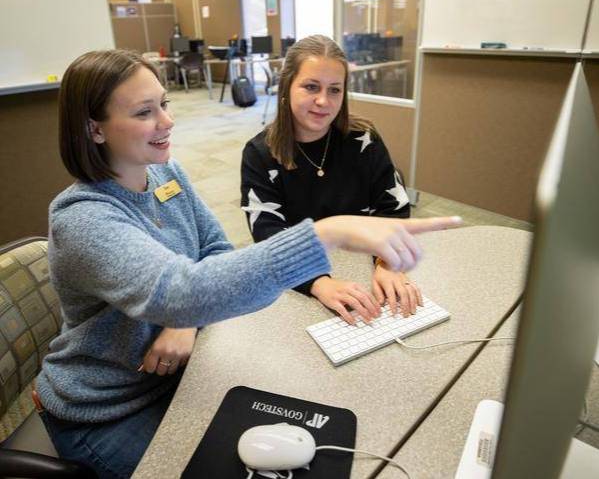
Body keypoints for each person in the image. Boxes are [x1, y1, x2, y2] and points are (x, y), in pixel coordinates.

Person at [36, 49, 460, 478]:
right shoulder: (82, 217)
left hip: (184, 372)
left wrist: (183, 321)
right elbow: (180, 292)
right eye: (145, 112)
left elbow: (217, 252)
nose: (167, 122)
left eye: (164, 104)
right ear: (95, 130)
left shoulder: (166, 175)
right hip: (108, 407)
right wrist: (324, 233)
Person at [241, 35, 424, 325]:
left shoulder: (364, 140)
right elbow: (269, 233)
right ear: (287, 87)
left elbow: (393, 206)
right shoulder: (260, 154)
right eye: (311, 87)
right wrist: (317, 282)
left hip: (364, 266)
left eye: (335, 90)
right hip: (299, 281)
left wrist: (387, 262)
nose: (323, 101)